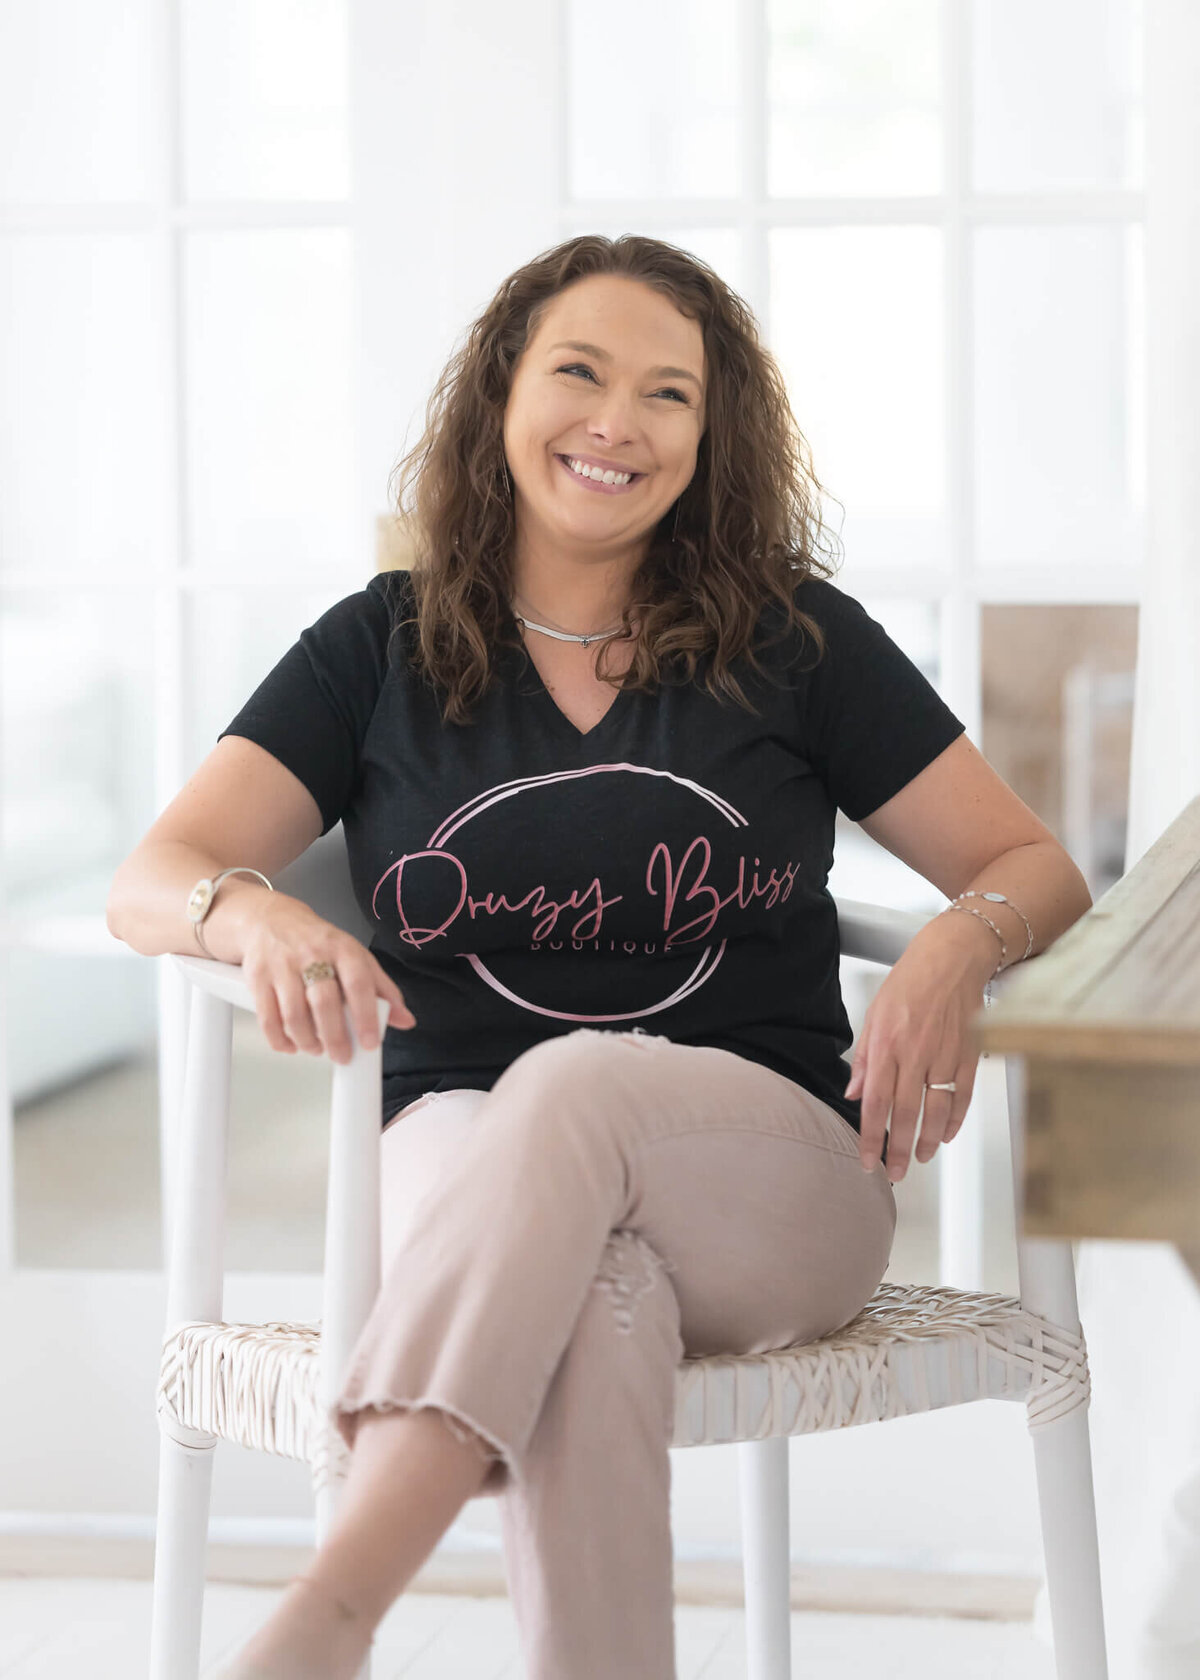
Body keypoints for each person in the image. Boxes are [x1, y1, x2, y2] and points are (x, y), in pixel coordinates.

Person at [107, 234, 1092, 1680]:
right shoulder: (381, 648)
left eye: (668, 394)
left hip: (771, 1175)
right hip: (459, 1154)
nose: (616, 422)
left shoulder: (794, 639)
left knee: (573, 1085)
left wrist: (958, 942)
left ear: (711, 436)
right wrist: (254, 913)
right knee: (596, 1297)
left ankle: (333, 1610)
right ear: (502, 390)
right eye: (579, 370)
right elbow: (157, 874)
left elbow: (1036, 867)